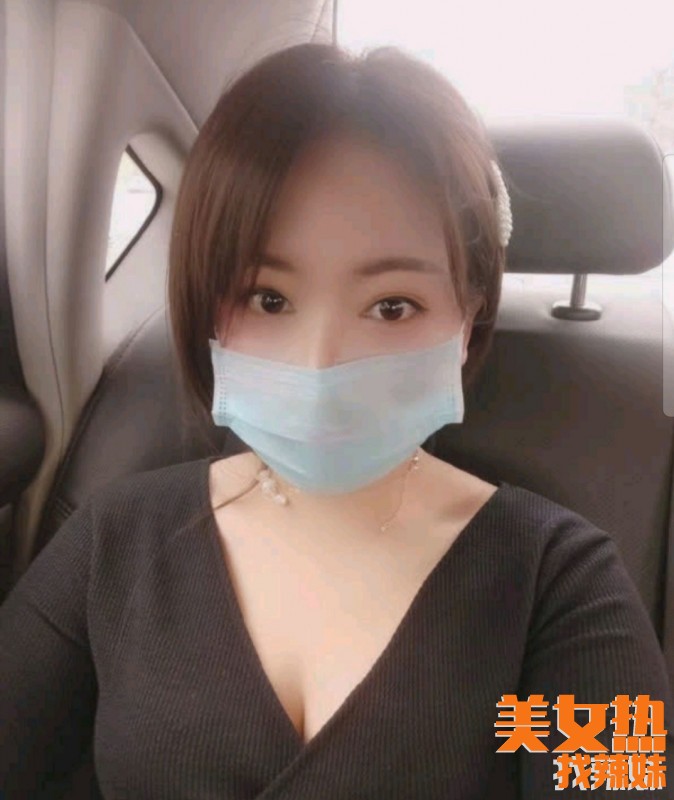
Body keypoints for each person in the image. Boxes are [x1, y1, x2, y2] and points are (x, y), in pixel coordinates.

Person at [1, 41, 672, 800]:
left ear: (467, 318)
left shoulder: (563, 585)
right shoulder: (114, 540)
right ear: (207, 304)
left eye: (392, 306)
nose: (321, 363)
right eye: (269, 299)